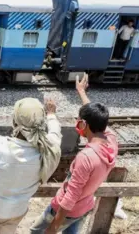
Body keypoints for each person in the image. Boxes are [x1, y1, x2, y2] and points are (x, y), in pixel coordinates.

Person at [30, 73, 118, 234]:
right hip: (85, 206)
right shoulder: (111, 142)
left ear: (84, 124)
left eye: (78, 120)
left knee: (35, 232)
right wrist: (82, 93)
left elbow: (71, 195)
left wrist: (54, 227)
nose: (76, 122)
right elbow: (97, 119)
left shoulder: (86, 157)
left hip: (65, 210)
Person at [0, 96, 62, 234]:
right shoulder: (49, 149)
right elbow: (55, 132)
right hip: (16, 212)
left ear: (15, 122)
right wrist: (51, 115)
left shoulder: (2, 147)